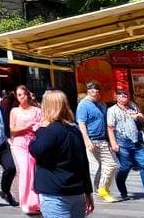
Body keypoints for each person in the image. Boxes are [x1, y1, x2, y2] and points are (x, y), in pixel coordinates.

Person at [29, 90, 94, 218]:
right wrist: (88, 191)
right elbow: (83, 163)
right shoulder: (74, 130)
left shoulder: (49, 131)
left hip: (55, 193)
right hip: (76, 191)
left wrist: (39, 131)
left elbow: (36, 150)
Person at [106, 87, 144, 202]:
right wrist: (113, 143)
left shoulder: (133, 106)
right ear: (116, 97)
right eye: (121, 95)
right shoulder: (112, 110)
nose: (124, 96)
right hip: (122, 142)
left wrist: (139, 117)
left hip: (137, 141)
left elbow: (143, 123)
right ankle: (122, 189)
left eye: (126, 94)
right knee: (125, 167)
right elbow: (110, 128)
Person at [75, 81, 118, 203]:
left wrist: (110, 140)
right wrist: (87, 140)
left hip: (103, 139)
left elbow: (106, 123)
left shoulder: (102, 105)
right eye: (93, 90)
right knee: (96, 167)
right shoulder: (83, 105)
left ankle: (102, 188)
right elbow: (81, 124)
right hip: (92, 139)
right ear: (88, 91)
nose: (95, 92)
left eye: (97, 91)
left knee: (111, 165)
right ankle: (96, 190)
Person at [9, 85, 43, 215]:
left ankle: (36, 201)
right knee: (24, 170)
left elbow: (41, 125)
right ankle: (26, 202)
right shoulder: (14, 111)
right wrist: (27, 127)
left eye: (22, 94)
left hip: (33, 142)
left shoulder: (37, 110)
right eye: (18, 95)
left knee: (34, 171)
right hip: (19, 143)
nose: (20, 97)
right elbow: (12, 129)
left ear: (28, 95)